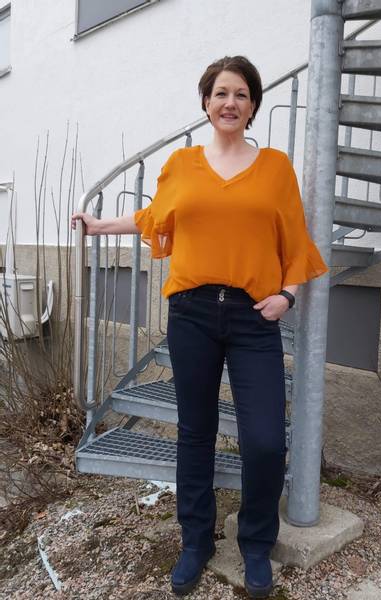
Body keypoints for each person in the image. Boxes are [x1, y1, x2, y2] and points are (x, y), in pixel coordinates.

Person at [72, 55, 328, 598]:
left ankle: (255, 543)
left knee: (264, 440)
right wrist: (98, 226)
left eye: (241, 94)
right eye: (220, 93)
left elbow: (295, 241)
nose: (230, 102)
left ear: (253, 106)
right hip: (191, 313)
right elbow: (153, 217)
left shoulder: (275, 167)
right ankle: (196, 541)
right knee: (195, 432)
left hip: (254, 315)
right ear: (206, 103)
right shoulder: (183, 164)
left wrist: (287, 295)